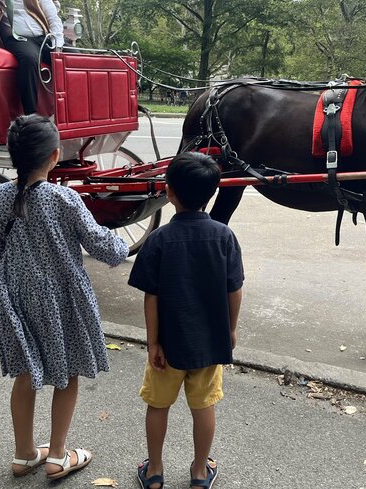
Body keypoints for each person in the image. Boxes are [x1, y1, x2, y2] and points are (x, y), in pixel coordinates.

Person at [0, 114, 129, 480]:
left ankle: (24, 454)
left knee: (25, 373)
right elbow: (101, 244)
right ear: (55, 155)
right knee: (67, 372)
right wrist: (122, 248)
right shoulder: (64, 199)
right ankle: (58, 455)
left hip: (15, 297)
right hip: (62, 298)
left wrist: (0, 301)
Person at [128, 151, 244, 489]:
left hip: (168, 345)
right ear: (212, 193)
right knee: (204, 406)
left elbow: (151, 296)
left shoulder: (158, 239)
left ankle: (154, 472)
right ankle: (199, 472)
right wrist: (231, 329)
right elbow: (234, 289)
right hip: (208, 343)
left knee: (158, 405)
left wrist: (153, 342)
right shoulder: (224, 236)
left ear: (169, 192)